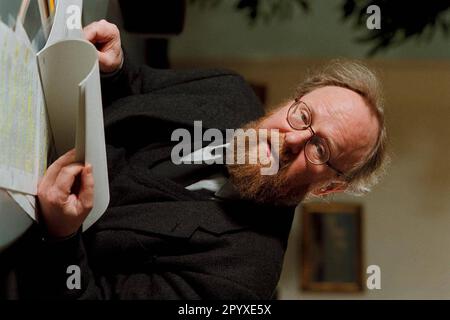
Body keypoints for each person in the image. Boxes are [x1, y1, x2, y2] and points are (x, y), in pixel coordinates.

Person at [0, 20, 388, 300]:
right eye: (303, 116)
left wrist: (62, 237)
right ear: (291, 101)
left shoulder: (240, 282)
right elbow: (136, 85)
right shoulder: (227, 90)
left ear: (328, 187)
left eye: (320, 150)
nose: (293, 139)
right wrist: (116, 67)